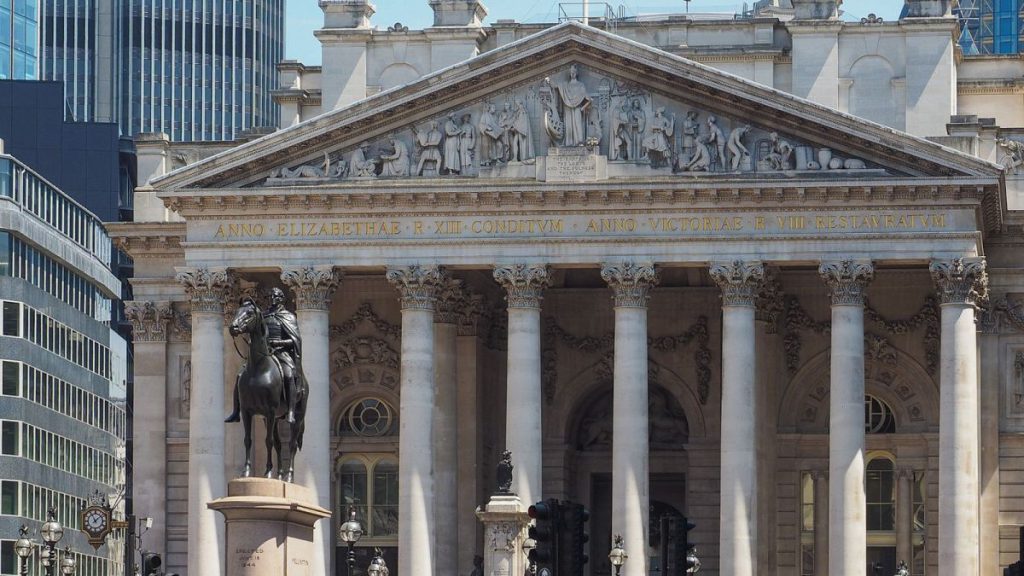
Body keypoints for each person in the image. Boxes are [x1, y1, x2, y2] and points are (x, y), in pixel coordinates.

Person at [225, 288, 303, 424]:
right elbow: (252, 329)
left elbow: (295, 340)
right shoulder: (263, 316)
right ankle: (236, 412)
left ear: (281, 298)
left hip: (281, 352)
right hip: (264, 353)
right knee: (240, 375)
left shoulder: (289, 317)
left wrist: (278, 342)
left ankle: (290, 411)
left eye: (275, 296)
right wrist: (236, 330)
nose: (272, 299)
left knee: (289, 375)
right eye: (270, 296)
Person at [552, 64, 591, 146]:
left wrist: (583, 108)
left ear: (576, 73)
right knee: (568, 125)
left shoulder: (580, 85)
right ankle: (568, 143)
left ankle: (580, 142)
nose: (572, 73)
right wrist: (548, 80)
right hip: (567, 107)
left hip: (578, 108)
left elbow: (589, 100)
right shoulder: (565, 85)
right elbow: (555, 86)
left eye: (574, 72)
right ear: (570, 74)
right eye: (571, 72)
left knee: (578, 124)